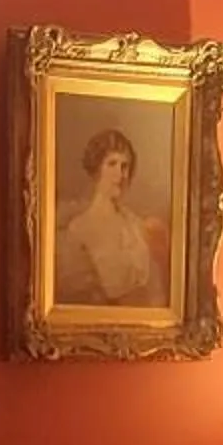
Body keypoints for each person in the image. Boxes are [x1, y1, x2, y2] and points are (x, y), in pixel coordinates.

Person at [54, 127, 168, 309]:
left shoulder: (137, 225)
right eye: (112, 164)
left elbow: (156, 293)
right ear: (97, 169)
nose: (121, 175)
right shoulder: (79, 230)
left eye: (125, 166)